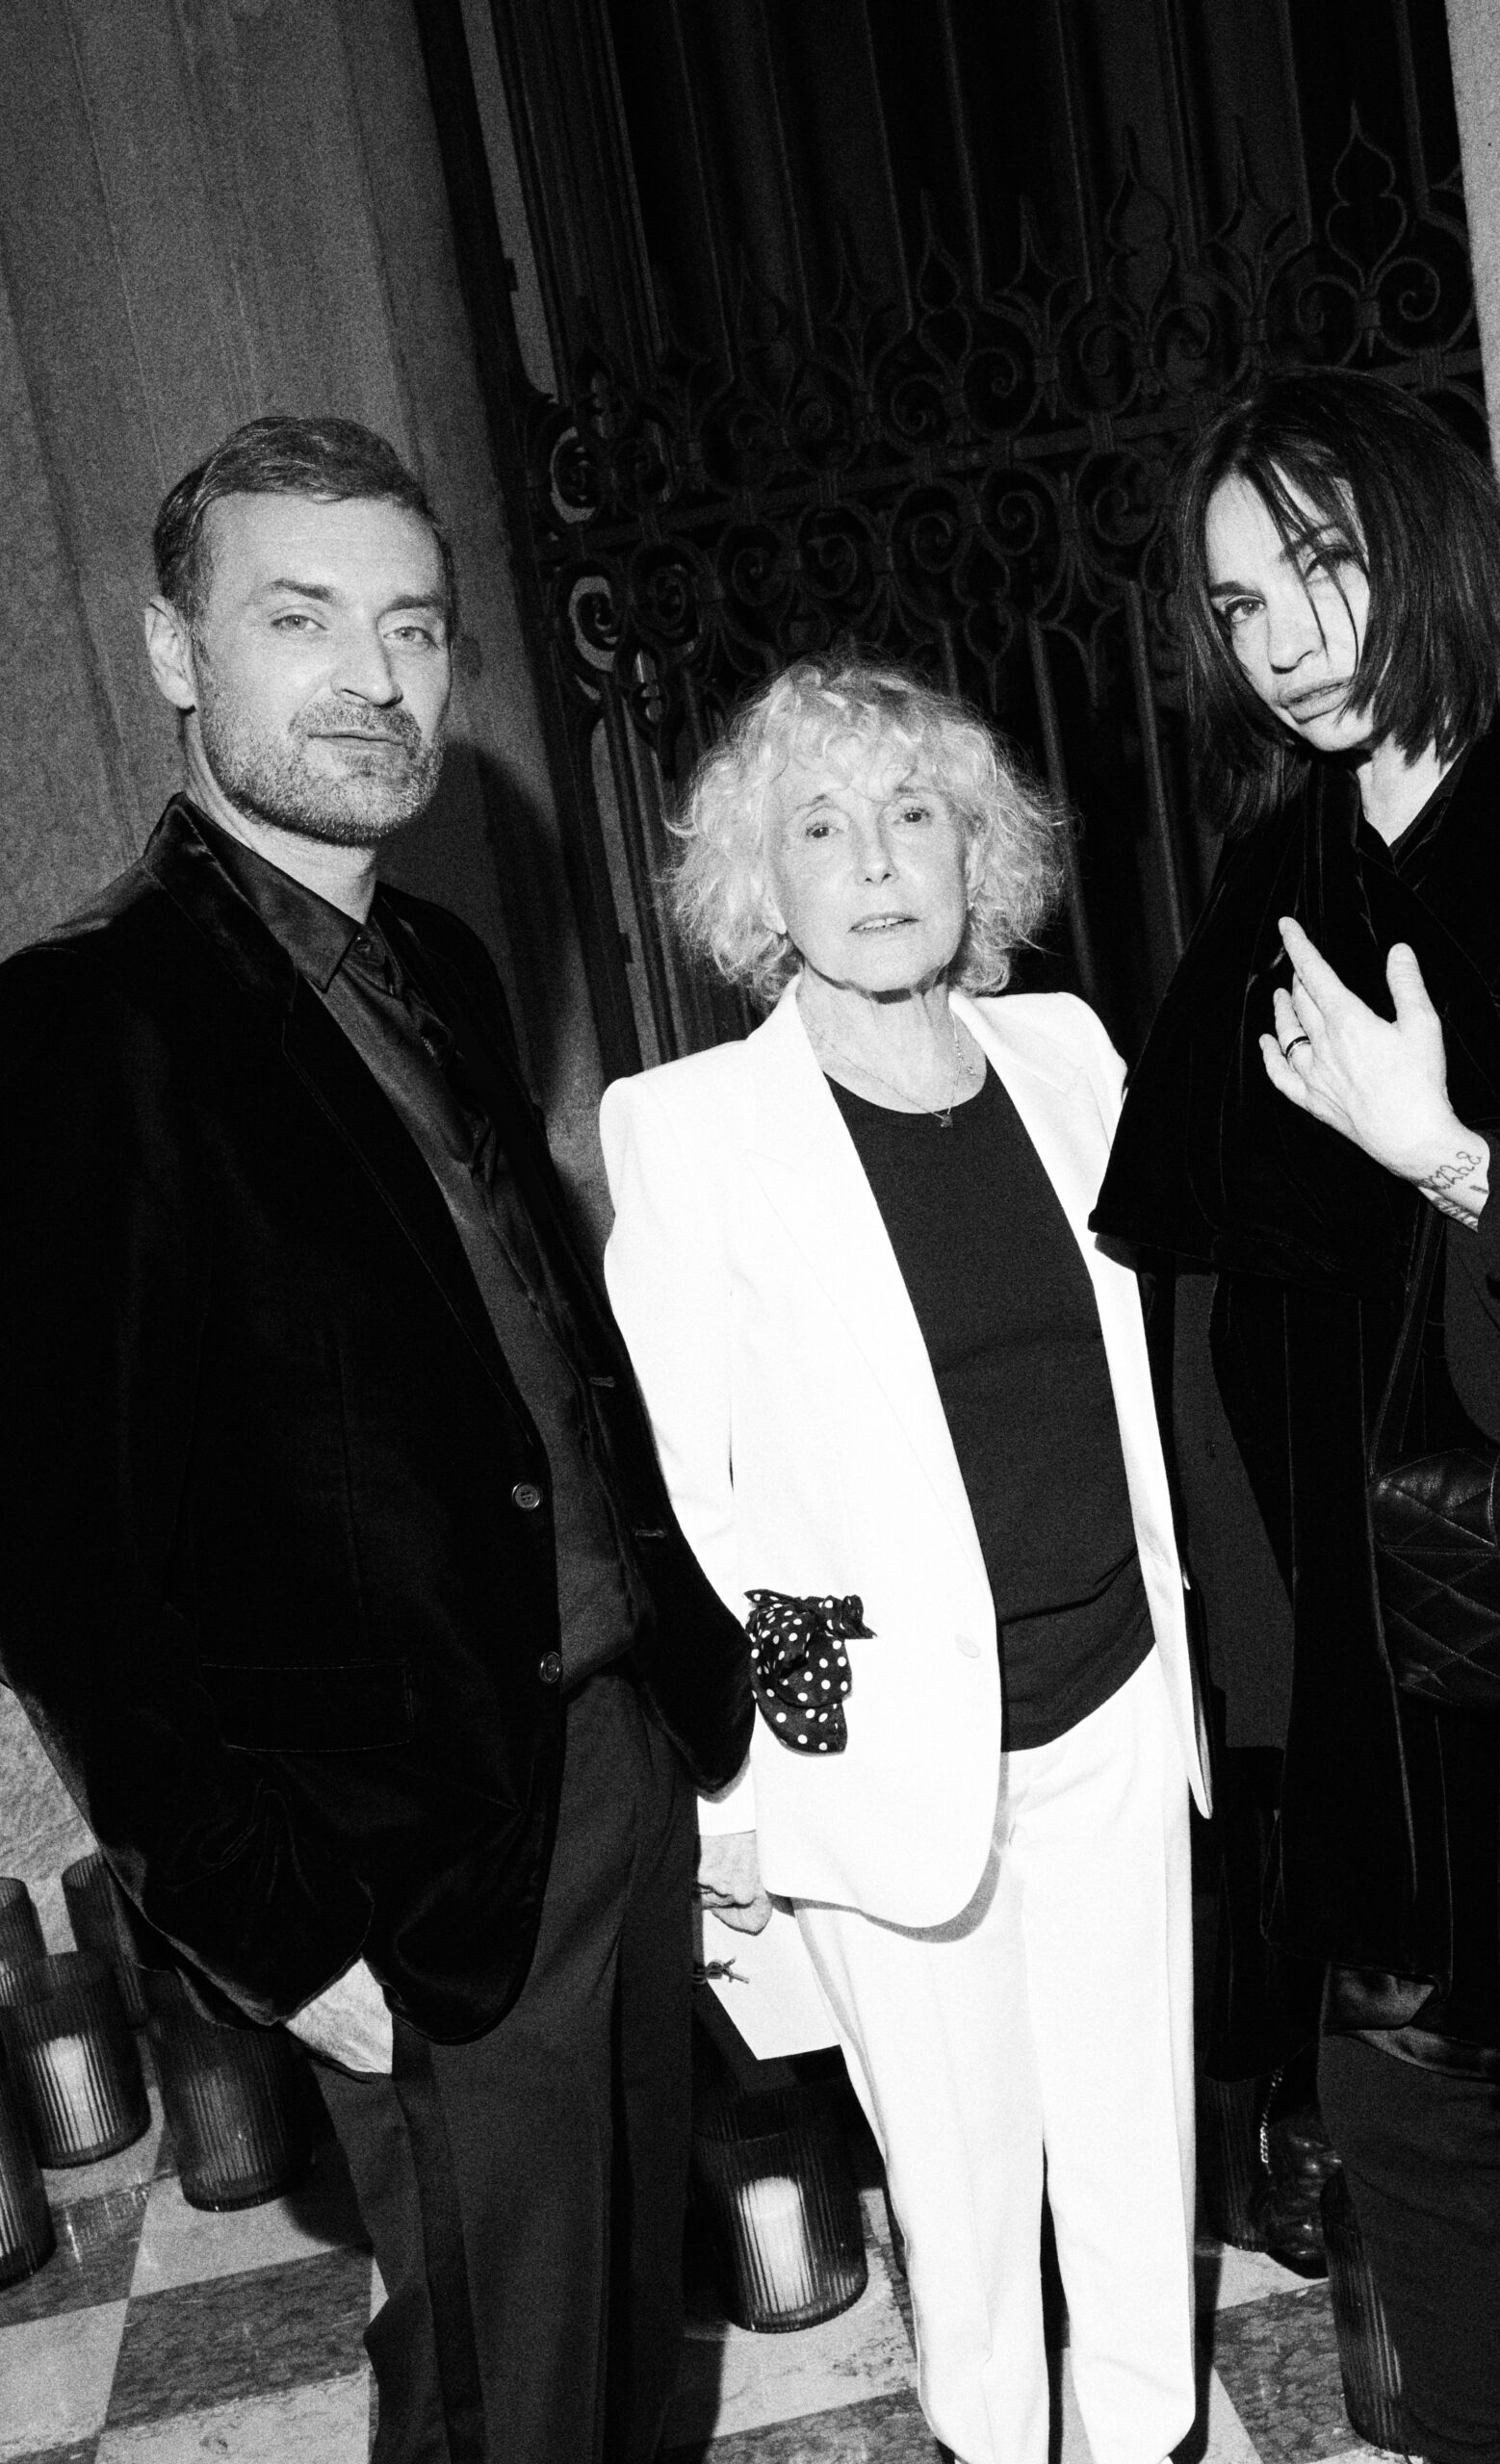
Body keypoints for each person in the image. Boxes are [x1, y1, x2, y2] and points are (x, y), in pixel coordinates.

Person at [0, 414, 750, 2464]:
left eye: (413, 627)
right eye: (301, 619)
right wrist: (267, 1917)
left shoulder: (437, 957)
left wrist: (676, 1699)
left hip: (610, 1762)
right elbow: (60, 1564)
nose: (374, 676)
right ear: (174, 651)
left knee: (615, 2361)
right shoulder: (86, 1026)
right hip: (407, 1859)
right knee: (506, 2400)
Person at [1095, 367, 1500, 2464]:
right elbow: (1202, 1290)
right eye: (1240, 603)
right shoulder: (1273, 873)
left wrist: (1458, 1162)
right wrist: (1253, 1676)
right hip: (1363, 1647)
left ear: (1424, 539)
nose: (1285, 637)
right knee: (1404, 2110)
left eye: (1316, 566)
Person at [599, 656, 1210, 2464]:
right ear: (760, 884)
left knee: (1137, 2144)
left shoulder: (1069, 1054)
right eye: (819, 826)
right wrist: (748, 1792)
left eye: (913, 813)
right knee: (963, 2189)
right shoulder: (690, 1130)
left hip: (1113, 1695)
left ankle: (1152, 2435)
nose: (874, 860)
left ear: (975, 852)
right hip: (881, 1756)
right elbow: (685, 1501)